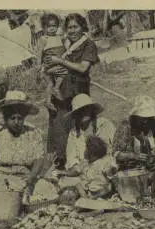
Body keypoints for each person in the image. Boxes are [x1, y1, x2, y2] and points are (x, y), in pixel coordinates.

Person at [44, 13, 100, 169]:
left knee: (78, 132)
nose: (72, 31)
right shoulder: (65, 45)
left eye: (76, 27)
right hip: (60, 97)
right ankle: (59, 168)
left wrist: (60, 61)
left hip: (78, 96)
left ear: (83, 27)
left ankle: (79, 168)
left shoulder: (88, 45)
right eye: (69, 28)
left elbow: (83, 68)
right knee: (58, 132)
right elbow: (51, 70)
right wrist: (48, 94)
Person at [0, 91, 54, 205]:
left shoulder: (33, 134)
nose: (16, 122)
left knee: (47, 188)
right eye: (12, 118)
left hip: (24, 177)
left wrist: (31, 177)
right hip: (0, 175)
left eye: (20, 118)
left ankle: (24, 200)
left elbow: (39, 158)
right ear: (5, 118)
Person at [60, 93, 116, 174]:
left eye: (86, 109)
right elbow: (71, 159)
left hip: (107, 170)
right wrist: (78, 168)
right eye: (79, 111)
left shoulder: (105, 125)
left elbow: (116, 150)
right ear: (76, 115)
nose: (83, 113)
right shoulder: (74, 133)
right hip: (84, 172)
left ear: (92, 110)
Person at [113, 95, 155, 172]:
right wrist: (133, 156)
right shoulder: (126, 126)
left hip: (152, 170)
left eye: (148, 118)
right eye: (142, 118)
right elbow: (116, 154)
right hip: (130, 171)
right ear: (135, 116)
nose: (145, 121)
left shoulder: (154, 124)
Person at [59, 136, 118, 200]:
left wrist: (112, 170)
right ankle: (87, 199)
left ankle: (88, 200)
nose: (84, 151)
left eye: (86, 149)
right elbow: (76, 171)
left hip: (101, 189)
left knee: (108, 187)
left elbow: (110, 171)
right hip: (89, 189)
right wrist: (63, 173)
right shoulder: (85, 163)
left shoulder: (102, 162)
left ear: (92, 154)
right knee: (78, 186)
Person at [36, 13, 69, 101]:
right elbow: (39, 53)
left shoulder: (59, 37)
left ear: (57, 26)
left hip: (58, 62)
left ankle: (49, 99)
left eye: (54, 26)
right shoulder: (44, 39)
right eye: (48, 26)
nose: (52, 28)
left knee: (51, 82)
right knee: (63, 71)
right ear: (44, 28)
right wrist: (39, 65)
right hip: (50, 63)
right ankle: (56, 89)